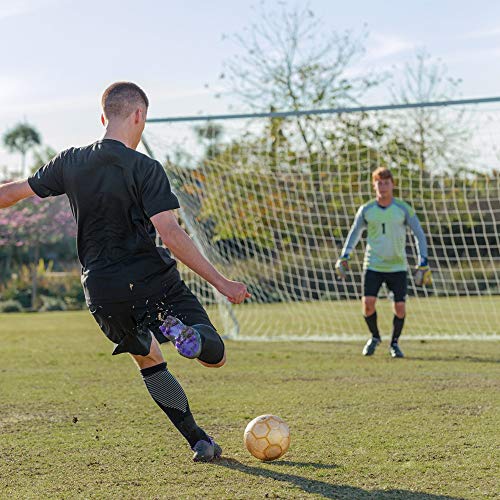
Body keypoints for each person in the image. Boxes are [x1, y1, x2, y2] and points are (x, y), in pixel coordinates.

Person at [0, 81, 250, 461]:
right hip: (154, 282)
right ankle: (191, 337)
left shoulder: (68, 161)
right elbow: (170, 232)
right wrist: (221, 282)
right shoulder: (145, 168)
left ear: (104, 117)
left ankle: (198, 440)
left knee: (150, 362)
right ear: (139, 116)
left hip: (103, 291)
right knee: (214, 356)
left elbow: (10, 193)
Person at [335, 167, 432, 358]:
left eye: (386, 182)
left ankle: (394, 344)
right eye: (379, 183)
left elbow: (419, 234)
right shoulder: (366, 209)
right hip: (373, 265)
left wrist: (423, 259)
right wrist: (344, 255)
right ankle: (375, 337)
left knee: (400, 308)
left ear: (393, 185)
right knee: (368, 304)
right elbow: (354, 233)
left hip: (397, 266)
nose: (383, 186)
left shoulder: (403, 209)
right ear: (374, 185)